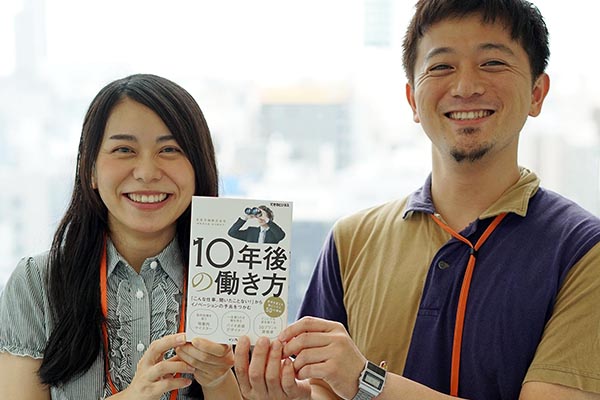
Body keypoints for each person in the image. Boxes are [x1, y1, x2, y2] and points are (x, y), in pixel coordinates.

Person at [232, 1, 600, 399]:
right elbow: (322, 390)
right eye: (441, 66)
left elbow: (352, 382)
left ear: (537, 93)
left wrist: (366, 380)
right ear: (412, 99)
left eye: (492, 63)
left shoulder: (582, 249)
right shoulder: (350, 240)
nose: (465, 87)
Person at [0, 74, 243, 399]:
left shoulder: (237, 278)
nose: (147, 172)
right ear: (90, 170)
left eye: (169, 149)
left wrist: (217, 380)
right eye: (124, 149)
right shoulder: (36, 282)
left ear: (198, 168)